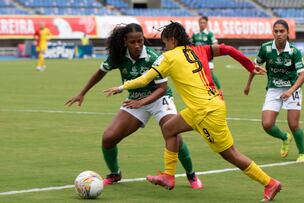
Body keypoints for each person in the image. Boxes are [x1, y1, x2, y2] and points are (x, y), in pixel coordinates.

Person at [104, 22, 282, 201]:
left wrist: (122, 87)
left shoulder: (168, 57)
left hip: (205, 112)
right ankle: (168, 176)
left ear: (172, 40)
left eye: (165, 43)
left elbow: (145, 79)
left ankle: (269, 183)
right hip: (206, 106)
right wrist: (249, 66)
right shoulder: (200, 50)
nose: (163, 47)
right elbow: (227, 49)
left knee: (230, 154)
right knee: (169, 128)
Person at [65, 23, 202, 189]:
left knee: (172, 132)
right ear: (125, 41)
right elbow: (100, 72)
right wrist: (82, 93)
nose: (137, 45)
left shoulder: (153, 57)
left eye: (140, 41)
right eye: (133, 42)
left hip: (160, 99)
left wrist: (142, 102)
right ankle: (115, 173)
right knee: (108, 138)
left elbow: (162, 88)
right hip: (135, 100)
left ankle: (191, 175)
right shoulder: (117, 56)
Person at [243, 19, 304, 162]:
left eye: (282, 31)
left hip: (292, 89)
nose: (278, 34)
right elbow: (255, 66)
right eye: (276, 31)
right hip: (274, 89)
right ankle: (285, 137)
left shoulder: (294, 51)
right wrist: (248, 85)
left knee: (293, 124)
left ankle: (303, 153)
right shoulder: (266, 48)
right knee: (267, 124)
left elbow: (303, 75)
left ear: (287, 33)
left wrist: (290, 91)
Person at [192, 16, 223, 97]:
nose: (202, 24)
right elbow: (191, 44)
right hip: (197, 58)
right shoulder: (195, 34)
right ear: (198, 23)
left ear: (206, 24)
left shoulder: (209, 34)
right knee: (198, 74)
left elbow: (215, 43)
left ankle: (219, 89)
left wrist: (212, 50)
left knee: (211, 73)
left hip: (207, 57)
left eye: (204, 23)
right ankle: (202, 90)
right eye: (200, 22)